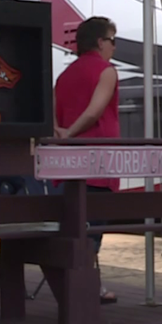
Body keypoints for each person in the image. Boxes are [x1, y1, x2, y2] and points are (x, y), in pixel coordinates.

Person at [52, 16, 120, 304]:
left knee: (73, 226)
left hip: (66, 164)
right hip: (98, 161)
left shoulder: (64, 76)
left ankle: (76, 282)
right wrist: (72, 132)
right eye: (112, 41)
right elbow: (94, 112)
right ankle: (89, 286)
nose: (114, 48)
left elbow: (54, 117)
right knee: (93, 229)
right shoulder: (107, 71)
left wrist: (62, 134)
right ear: (101, 42)